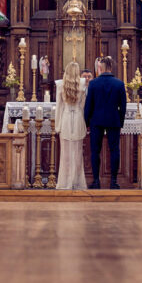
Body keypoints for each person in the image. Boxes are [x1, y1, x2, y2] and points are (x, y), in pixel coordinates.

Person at [83, 55, 126, 189]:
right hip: (113, 120)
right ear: (111, 67)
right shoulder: (119, 83)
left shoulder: (94, 83)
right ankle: (113, 181)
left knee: (95, 151)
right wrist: (120, 122)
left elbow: (88, 105)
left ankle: (96, 181)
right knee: (114, 150)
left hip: (97, 120)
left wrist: (86, 122)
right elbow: (123, 106)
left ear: (100, 68)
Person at [55, 61, 87, 190]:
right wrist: (85, 123)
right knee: (78, 152)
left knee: (66, 154)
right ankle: (77, 182)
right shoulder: (83, 83)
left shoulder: (60, 84)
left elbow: (59, 107)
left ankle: (65, 182)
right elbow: (83, 105)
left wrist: (57, 126)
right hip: (78, 117)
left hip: (66, 118)